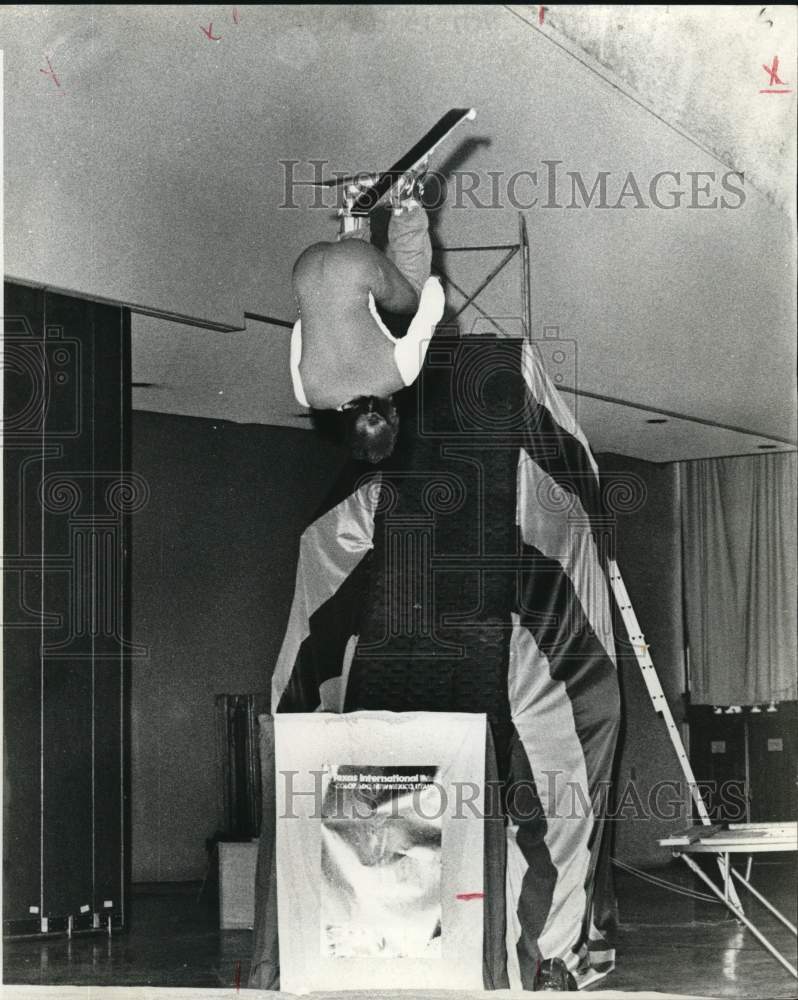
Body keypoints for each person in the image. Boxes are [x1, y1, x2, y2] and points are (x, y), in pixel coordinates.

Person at [290, 177, 445, 463]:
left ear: (393, 416)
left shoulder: (401, 375)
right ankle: (353, 209)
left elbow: (432, 307)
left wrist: (433, 282)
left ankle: (406, 199)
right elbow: (301, 328)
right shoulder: (307, 396)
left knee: (414, 296)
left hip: (356, 263)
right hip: (306, 267)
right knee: (352, 295)